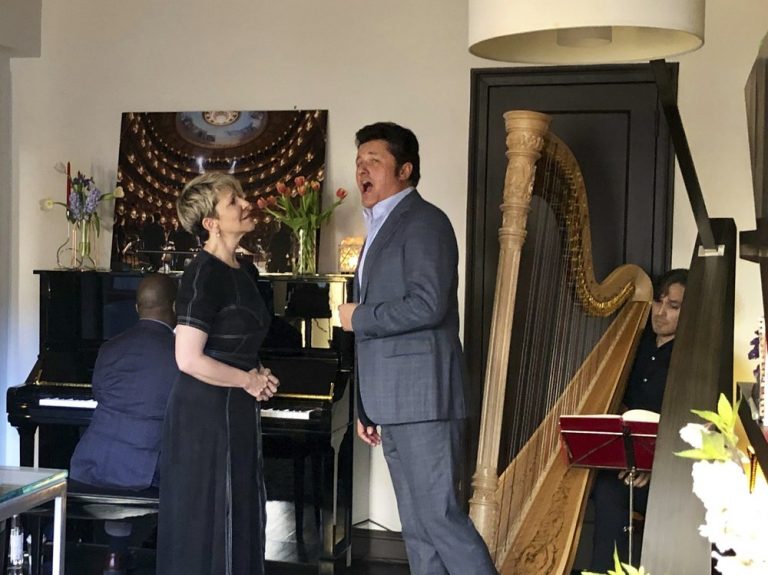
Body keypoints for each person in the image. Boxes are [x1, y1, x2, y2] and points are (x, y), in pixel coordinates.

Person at [339, 122, 497, 575]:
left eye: (374, 161)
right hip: (393, 401)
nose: (361, 170)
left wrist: (359, 317)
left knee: (441, 520)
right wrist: (367, 405)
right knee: (417, 530)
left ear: (405, 170)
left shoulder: (426, 222)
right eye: (359, 162)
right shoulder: (378, 228)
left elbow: (428, 305)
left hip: (425, 399)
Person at [157, 172, 279, 575]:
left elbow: (235, 343)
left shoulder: (245, 272)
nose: (246, 204)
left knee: (241, 513)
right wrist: (247, 380)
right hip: (203, 417)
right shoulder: (202, 275)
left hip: (236, 411)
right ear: (210, 223)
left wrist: (258, 372)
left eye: (242, 197)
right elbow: (187, 359)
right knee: (207, 520)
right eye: (233, 202)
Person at [68, 273, 179, 573]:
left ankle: (115, 555)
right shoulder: (182, 354)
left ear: (136, 308)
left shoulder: (110, 347)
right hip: (142, 469)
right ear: (175, 306)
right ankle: (175, 557)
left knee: (126, 454)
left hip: (92, 461)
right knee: (195, 470)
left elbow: (100, 392)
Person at [588, 268, 688, 571]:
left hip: (666, 474)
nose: (660, 313)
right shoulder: (636, 342)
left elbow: (688, 427)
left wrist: (652, 465)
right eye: (658, 302)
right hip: (623, 462)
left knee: (609, 493)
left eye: (673, 306)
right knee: (595, 481)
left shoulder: (689, 356)